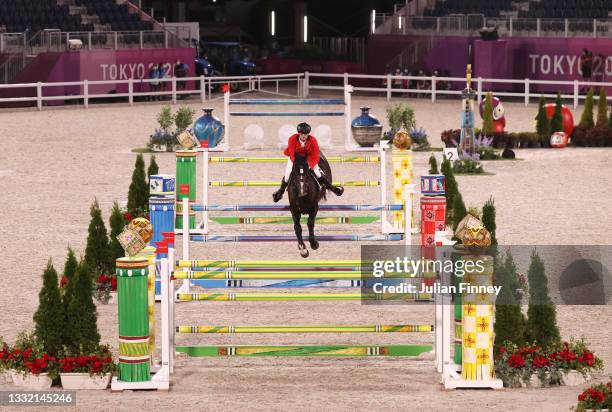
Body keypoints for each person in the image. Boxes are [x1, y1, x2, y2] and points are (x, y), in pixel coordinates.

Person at [272, 122, 344, 202]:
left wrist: (310, 165)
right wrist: (296, 164)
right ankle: (280, 192)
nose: (304, 136)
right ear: (299, 133)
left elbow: (316, 154)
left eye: (306, 134)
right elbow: (292, 153)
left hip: (309, 159)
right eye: (302, 134)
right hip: (295, 159)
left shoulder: (313, 140)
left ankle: (332, 188)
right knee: (288, 174)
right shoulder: (292, 139)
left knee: (318, 173)